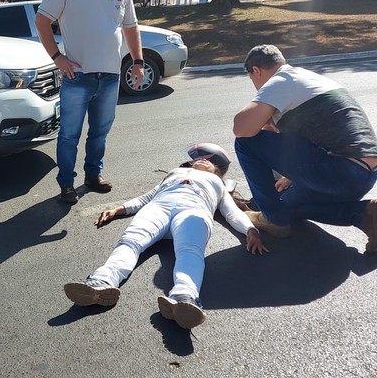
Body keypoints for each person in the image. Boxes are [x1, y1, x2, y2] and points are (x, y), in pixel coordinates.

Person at [64, 144, 266, 330]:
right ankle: (100, 282)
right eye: (202, 158)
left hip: (193, 211)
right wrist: (120, 209)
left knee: (190, 252)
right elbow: (148, 196)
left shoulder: (218, 184)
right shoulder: (175, 172)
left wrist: (250, 230)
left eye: (212, 162)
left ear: (218, 171)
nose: (205, 161)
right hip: (158, 207)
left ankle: (185, 298)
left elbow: (231, 213)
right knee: (130, 241)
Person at [233, 44, 377, 253]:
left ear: (256, 71)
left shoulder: (281, 80)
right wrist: (293, 176)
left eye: (252, 79)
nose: (256, 86)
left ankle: (272, 219)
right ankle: (365, 215)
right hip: (364, 175)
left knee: (246, 143)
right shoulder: (308, 79)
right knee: (288, 204)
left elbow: (241, 128)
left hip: (341, 169)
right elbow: (317, 135)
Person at [35, 0, 145, 204]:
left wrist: (138, 61)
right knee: (69, 136)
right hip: (78, 76)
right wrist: (58, 58)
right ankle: (66, 184)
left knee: (99, 132)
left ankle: (93, 176)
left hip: (110, 76)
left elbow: (130, 27)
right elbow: (41, 20)